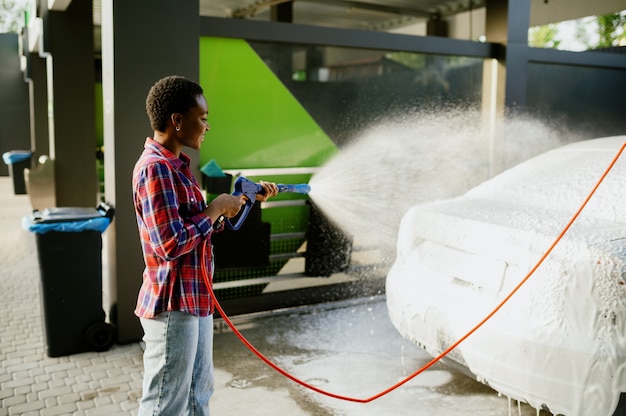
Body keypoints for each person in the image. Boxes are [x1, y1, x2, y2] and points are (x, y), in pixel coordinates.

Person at [132, 75, 278, 415]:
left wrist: (242, 203)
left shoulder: (177, 168)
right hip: (173, 305)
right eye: (203, 117)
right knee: (165, 404)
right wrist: (214, 208)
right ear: (177, 121)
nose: (207, 126)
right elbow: (170, 244)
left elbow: (198, 235)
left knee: (199, 394)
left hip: (195, 301)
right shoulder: (156, 170)